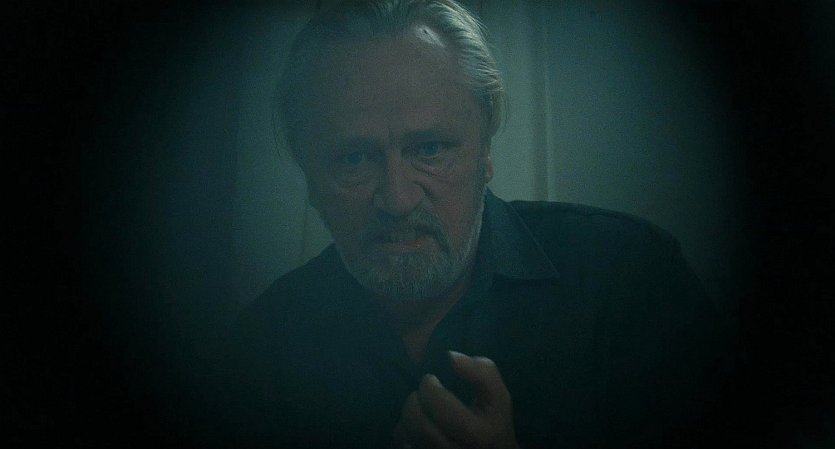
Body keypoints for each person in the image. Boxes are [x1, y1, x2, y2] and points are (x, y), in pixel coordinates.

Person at [219, 1, 733, 447]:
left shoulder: (631, 281)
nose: (397, 199)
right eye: (353, 159)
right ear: (309, 179)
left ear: (485, 150)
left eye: (430, 149)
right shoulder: (261, 352)